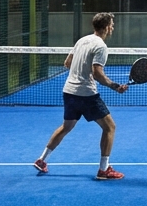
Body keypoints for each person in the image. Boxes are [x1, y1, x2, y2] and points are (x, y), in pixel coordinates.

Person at [32, 12, 129, 180]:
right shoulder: (100, 46)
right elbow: (97, 72)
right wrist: (114, 86)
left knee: (66, 127)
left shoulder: (81, 40)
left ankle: (42, 160)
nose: (113, 27)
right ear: (106, 27)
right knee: (110, 128)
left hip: (69, 91)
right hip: (86, 95)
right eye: (112, 24)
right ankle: (103, 170)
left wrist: (80, 75)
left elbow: (67, 63)